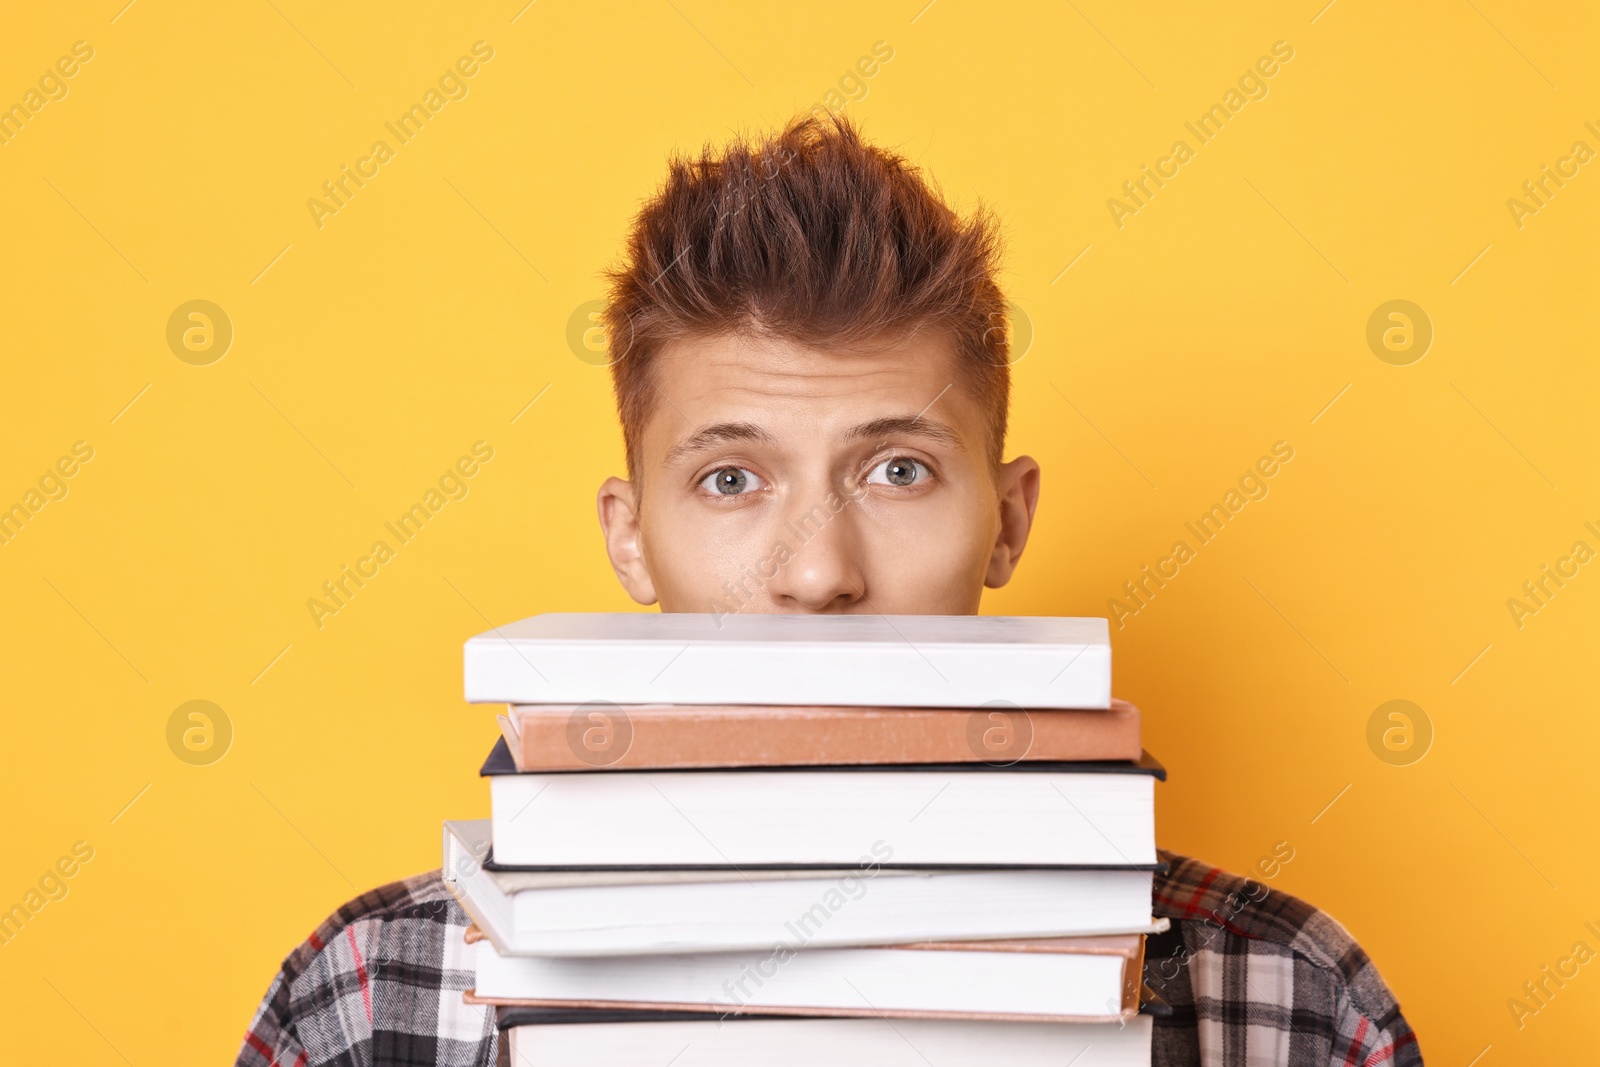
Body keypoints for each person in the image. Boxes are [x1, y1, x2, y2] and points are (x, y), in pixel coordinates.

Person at [236, 112, 1421, 1067]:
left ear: (1006, 520)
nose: (817, 573)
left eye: (897, 469)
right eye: (731, 477)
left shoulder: (1292, 1009)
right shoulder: (370, 1001)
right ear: (630, 537)